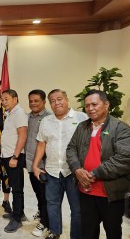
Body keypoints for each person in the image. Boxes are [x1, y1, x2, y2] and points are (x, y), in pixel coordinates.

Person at [66, 89, 130, 239]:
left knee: (113, 232)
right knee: (88, 231)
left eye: (94, 104)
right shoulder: (82, 127)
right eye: (87, 106)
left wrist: (94, 173)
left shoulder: (121, 128)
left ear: (106, 105)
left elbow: (125, 158)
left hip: (110, 195)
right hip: (85, 192)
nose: (90, 108)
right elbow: (71, 149)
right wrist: (77, 170)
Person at [33, 89, 88, 239]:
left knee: (77, 208)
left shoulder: (82, 118)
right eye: (52, 101)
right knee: (52, 205)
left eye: (59, 99)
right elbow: (41, 145)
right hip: (52, 171)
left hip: (74, 172)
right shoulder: (46, 121)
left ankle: (76, 236)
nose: (56, 103)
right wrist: (35, 165)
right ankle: (55, 231)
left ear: (67, 99)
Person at [1, 89, 28, 233]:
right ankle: (20, 212)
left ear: (15, 99)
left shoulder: (19, 113)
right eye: (3, 99)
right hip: (8, 155)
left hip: (14, 157)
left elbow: (22, 136)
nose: (4, 102)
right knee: (15, 186)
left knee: (17, 189)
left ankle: (16, 219)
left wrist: (15, 157)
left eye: (7, 99)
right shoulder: (10, 113)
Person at [25, 89, 51, 237]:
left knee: (45, 195)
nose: (33, 103)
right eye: (31, 101)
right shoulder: (28, 117)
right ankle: (41, 212)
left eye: (36, 101)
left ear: (43, 102)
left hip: (43, 165)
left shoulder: (49, 118)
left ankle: (45, 222)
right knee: (37, 192)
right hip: (30, 164)